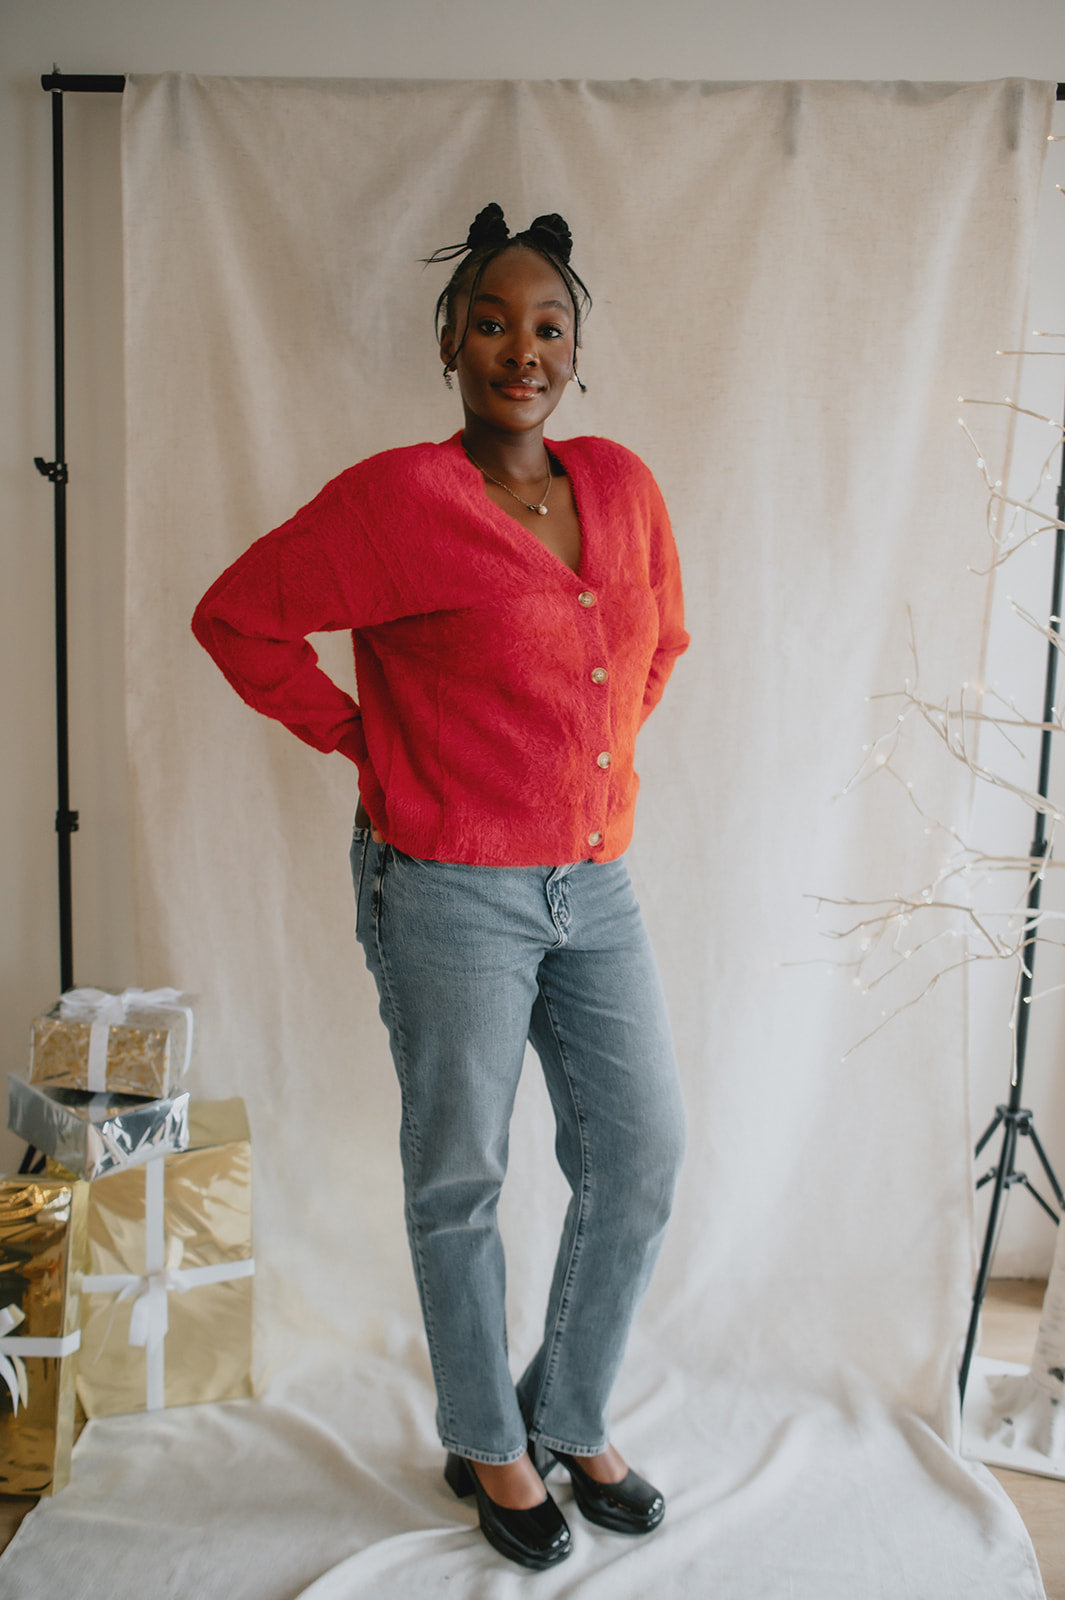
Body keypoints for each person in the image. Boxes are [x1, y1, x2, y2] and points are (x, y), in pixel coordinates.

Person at [192, 202, 689, 1572]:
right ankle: (486, 1441)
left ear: (575, 349)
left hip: (593, 883)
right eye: (491, 322)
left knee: (639, 1152)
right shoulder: (396, 502)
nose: (522, 349)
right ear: (450, 343)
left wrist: (584, 768)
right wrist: (365, 741)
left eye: (548, 326)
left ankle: (567, 1413)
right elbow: (237, 617)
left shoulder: (621, 484)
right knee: (461, 1172)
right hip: (448, 889)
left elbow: (659, 642)